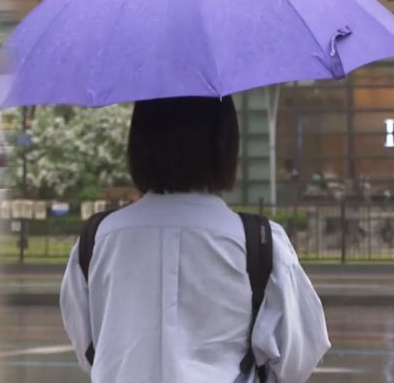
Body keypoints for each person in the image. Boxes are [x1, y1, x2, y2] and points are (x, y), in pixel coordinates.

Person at [60, 97, 330, 383]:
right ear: (225, 145)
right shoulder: (259, 241)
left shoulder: (98, 239)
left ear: (138, 144)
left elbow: (88, 347)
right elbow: (297, 358)